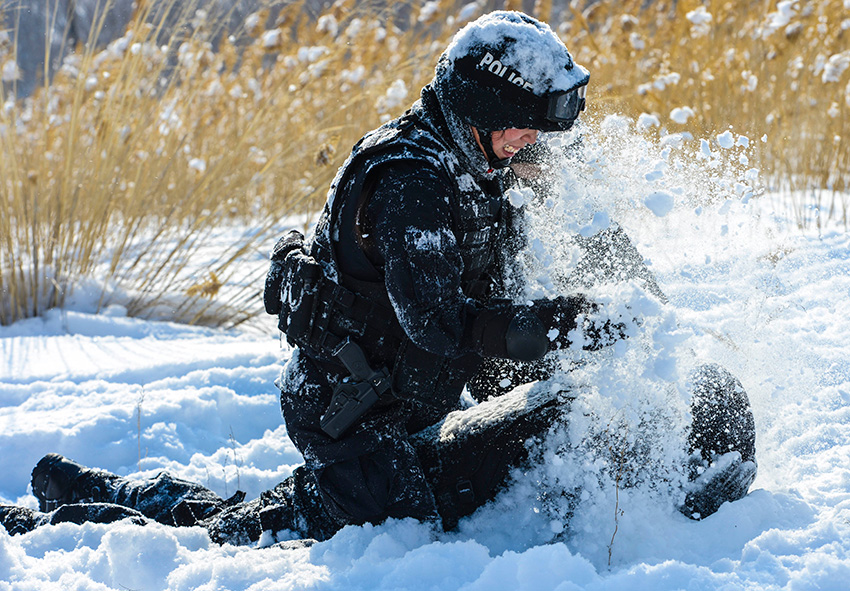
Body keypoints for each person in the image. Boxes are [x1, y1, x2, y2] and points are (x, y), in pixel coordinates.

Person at [1, 11, 757, 544]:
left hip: (416, 395)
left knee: (280, 513)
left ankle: (103, 490)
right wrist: (579, 322)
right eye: (525, 125)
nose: (536, 144)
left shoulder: (488, 163)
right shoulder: (411, 179)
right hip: (353, 420)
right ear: (481, 108)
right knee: (250, 536)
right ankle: (67, 520)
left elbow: (549, 276)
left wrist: (642, 328)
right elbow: (440, 321)